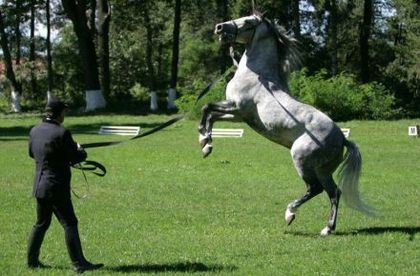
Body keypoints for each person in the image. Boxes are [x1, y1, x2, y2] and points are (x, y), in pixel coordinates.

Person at [27, 100, 103, 273]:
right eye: (64, 113)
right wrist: (80, 150)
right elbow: (77, 157)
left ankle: (31, 262)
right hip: (56, 187)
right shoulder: (62, 132)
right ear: (58, 114)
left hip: (40, 185)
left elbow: (33, 153)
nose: (64, 116)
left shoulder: (34, 130)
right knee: (69, 223)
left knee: (41, 223)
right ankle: (79, 263)